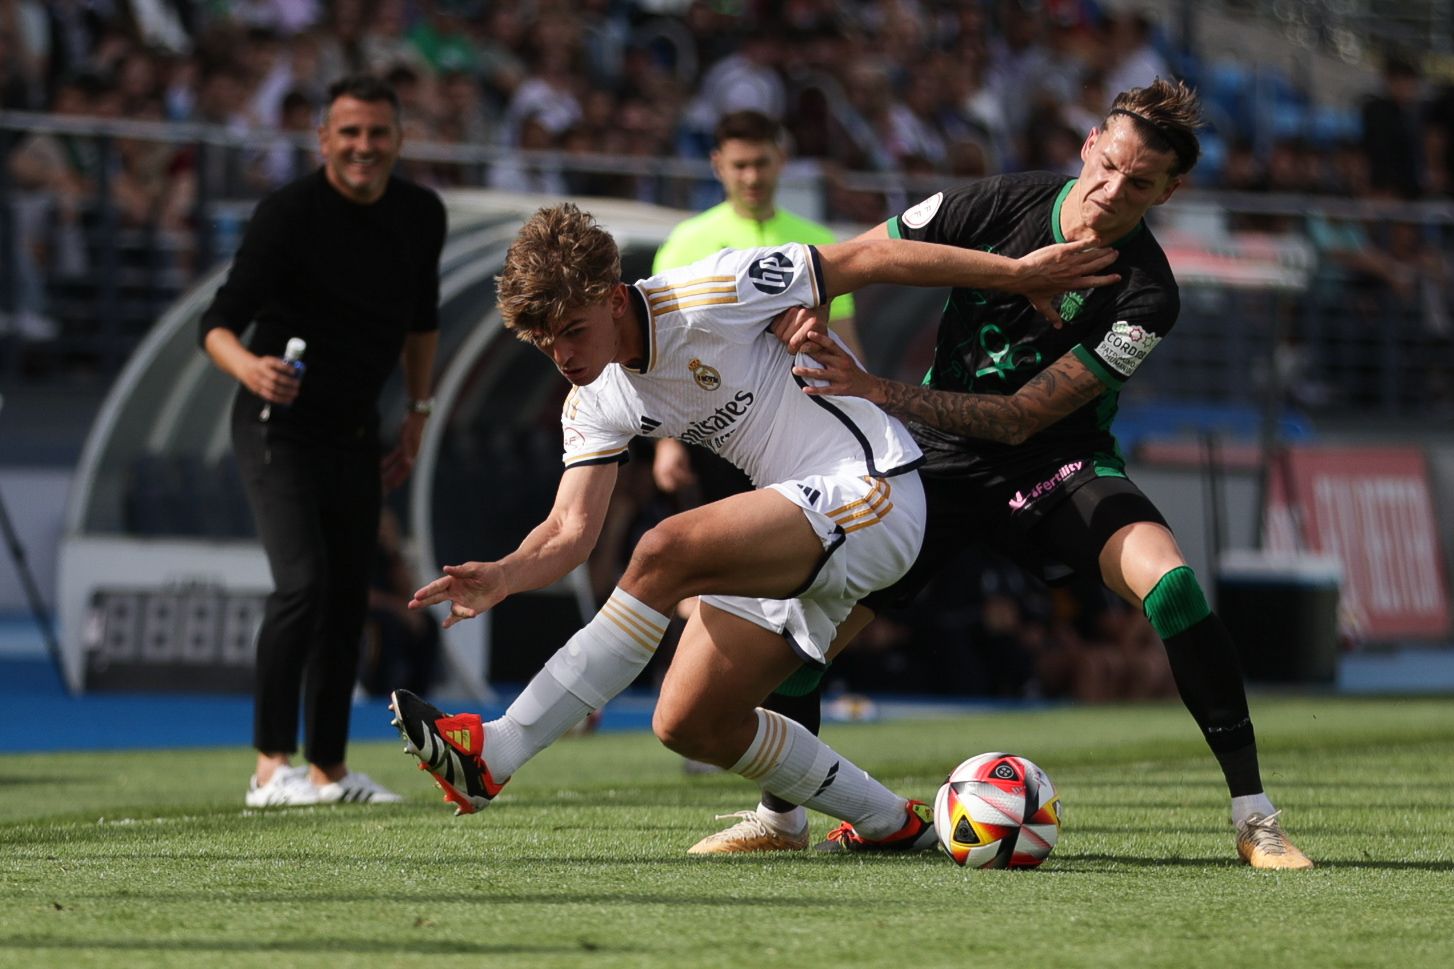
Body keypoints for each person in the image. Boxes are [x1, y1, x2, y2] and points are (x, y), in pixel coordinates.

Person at [389, 202, 1116, 853]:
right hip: (802, 519)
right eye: (546, 342)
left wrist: (1015, 272)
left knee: (663, 548)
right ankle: (890, 823)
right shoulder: (593, 399)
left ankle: (497, 752)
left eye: (574, 330)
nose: (565, 355)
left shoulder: (709, 290)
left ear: (615, 299)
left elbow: (869, 256)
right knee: (690, 721)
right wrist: (505, 574)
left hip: (877, 489)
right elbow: (568, 530)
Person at [773, 78, 1314, 869]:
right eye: (1110, 164)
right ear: (1091, 142)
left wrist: (873, 388)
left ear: (1171, 190)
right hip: (936, 467)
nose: (1113, 189)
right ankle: (779, 815)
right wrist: (815, 295)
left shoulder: (1148, 295)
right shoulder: (999, 204)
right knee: (804, 637)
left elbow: (1023, 417)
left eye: (1140, 183)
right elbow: (869, 251)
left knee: (1174, 586)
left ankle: (1254, 817)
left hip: (1055, 464)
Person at [199, 74, 446, 807]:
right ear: (323, 140)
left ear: (399, 139)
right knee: (303, 585)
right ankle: (270, 768)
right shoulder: (287, 213)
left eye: (377, 133)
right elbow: (213, 324)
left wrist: (420, 409)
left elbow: (423, 321)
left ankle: (329, 771)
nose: (363, 147)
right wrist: (250, 367)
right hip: (278, 427)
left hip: (358, 430)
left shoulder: (421, 212)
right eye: (350, 133)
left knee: (345, 599)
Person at [649, 109, 860, 842]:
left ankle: (741, 746)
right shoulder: (688, 241)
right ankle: (720, 718)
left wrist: (860, 403)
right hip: (715, 439)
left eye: (762, 164)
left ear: (782, 158)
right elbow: (661, 361)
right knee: (719, 591)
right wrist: (665, 445)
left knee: (790, 609)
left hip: (803, 445)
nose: (751, 177)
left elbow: (845, 341)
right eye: (738, 166)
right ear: (717, 165)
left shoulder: (816, 240)